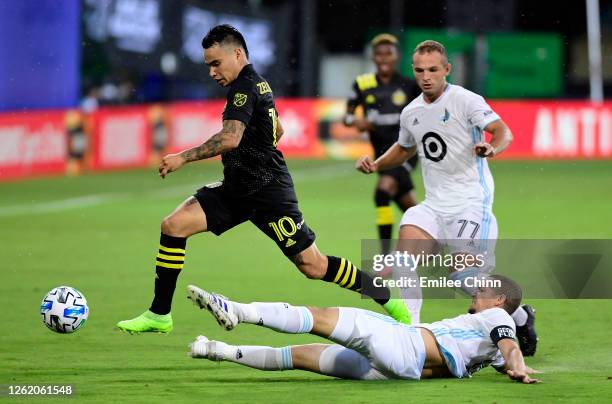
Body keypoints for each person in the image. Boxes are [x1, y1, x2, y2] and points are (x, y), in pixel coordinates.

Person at [116, 24, 411, 334]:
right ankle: (159, 314)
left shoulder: (244, 88)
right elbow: (278, 130)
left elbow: (230, 139)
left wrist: (182, 157)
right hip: (237, 188)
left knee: (314, 266)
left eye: (216, 63)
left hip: (268, 193)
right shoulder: (257, 84)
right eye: (208, 66)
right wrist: (254, 153)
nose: (212, 72)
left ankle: (385, 296)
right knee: (173, 225)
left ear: (238, 53)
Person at [355, 40, 537, 356]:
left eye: (433, 70)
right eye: (420, 70)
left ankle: (520, 315)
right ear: (414, 71)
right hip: (434, 205)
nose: (426, 76)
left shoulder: (466, 100)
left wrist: (494, 147)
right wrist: (377, 164)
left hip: (471, 203)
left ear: (446, 70)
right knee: (401, 262)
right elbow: (404, 148)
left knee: (464, 278)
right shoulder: (411, 111)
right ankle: (411, 333)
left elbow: (503, 131)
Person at [186, 275, 539, 384]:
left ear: (499, 300)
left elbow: (510, 347)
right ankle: (217, 351)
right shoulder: (488, 345)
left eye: (484, 289)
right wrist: (517, 369)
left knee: (320, 316)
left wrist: (519, 363)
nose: (476, 292)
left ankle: (238, 311)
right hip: (399, 373)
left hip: (404, 344)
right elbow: (504, 355)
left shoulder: (499, 319)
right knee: (300, 358)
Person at [344, 33, 420, 255]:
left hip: (405, 152)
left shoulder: (408, 85)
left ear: (397, 56)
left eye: (389, 53)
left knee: (383, 191)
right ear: (373, 57)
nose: (384, 57)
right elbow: (346, 118)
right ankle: (436, 238)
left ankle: (386, 256)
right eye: (379, 53)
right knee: (410, 207)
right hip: (381, 156)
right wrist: (356, 121)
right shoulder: (362, 83)